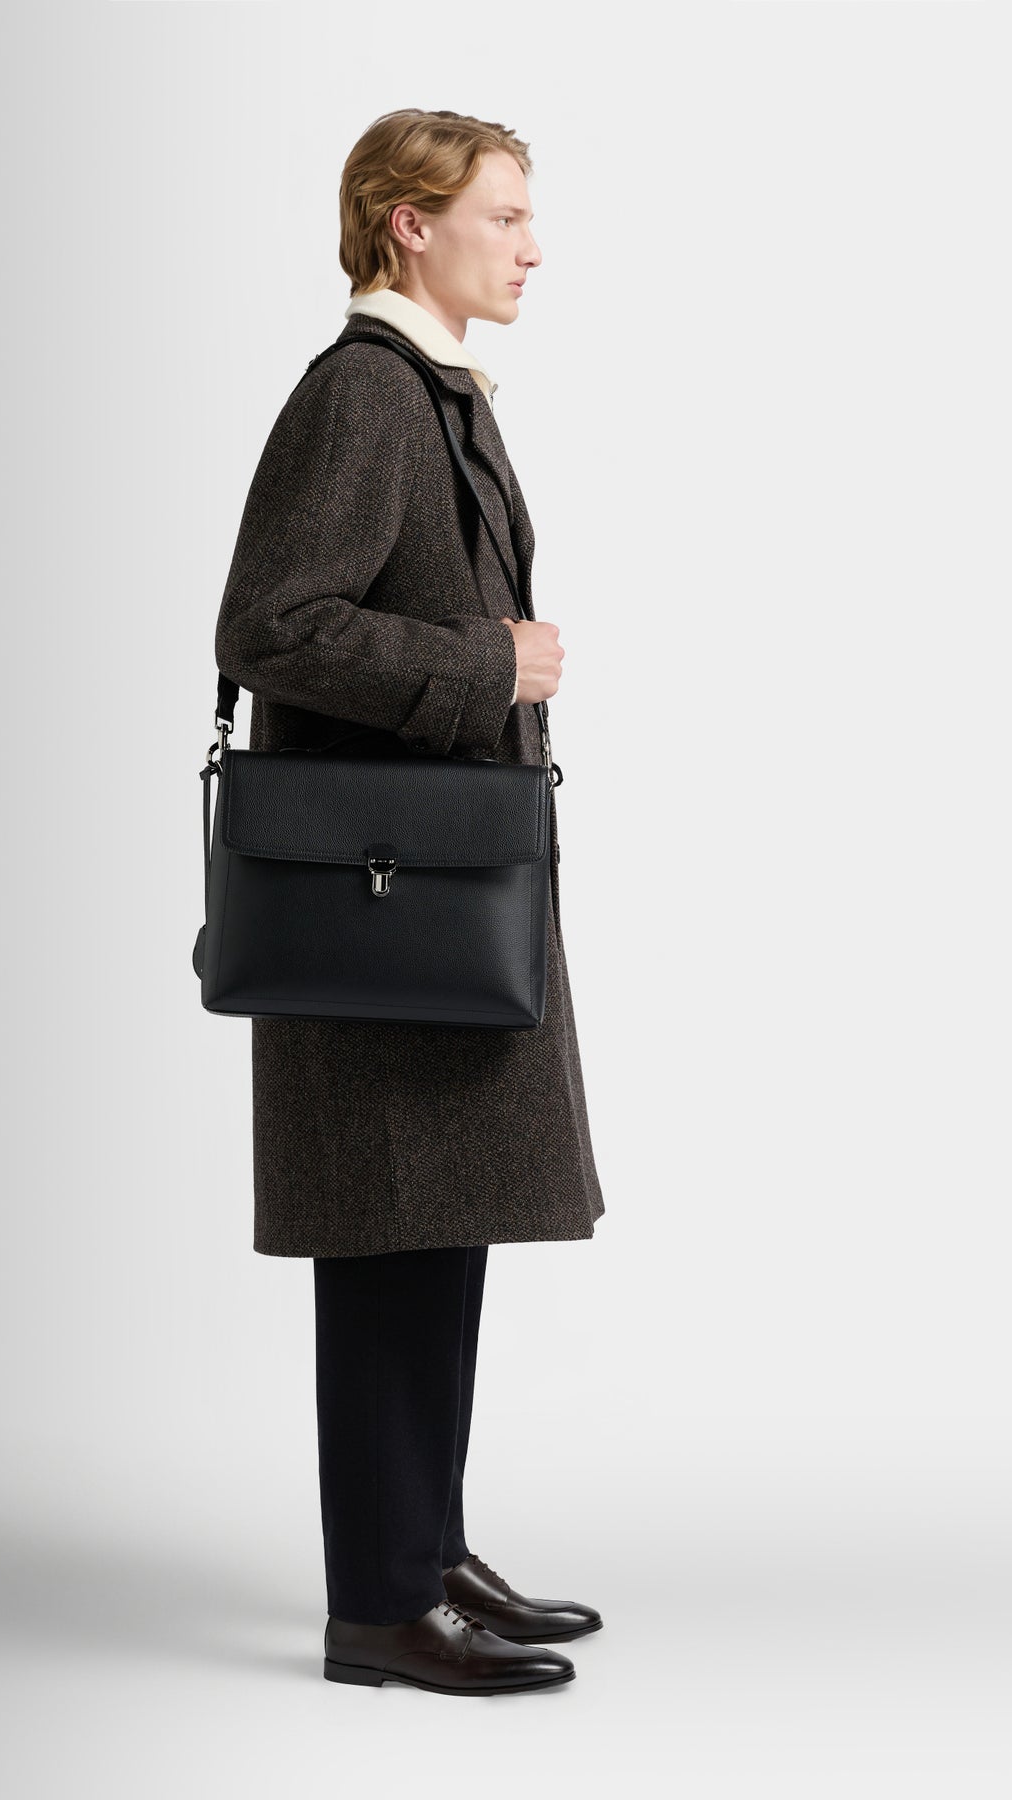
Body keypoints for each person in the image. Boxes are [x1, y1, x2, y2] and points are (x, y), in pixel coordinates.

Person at [213, 108, 607, 1697]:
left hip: (428, 901)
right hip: (382, 908)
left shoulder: (433, 392)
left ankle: (423, 1551)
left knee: (436, 1229)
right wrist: (482, 664)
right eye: (503, 216)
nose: (532, 246)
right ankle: (378, 1605)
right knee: (390, 1238)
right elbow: (270, 625)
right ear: (407, 226)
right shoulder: (365, 398)